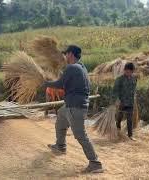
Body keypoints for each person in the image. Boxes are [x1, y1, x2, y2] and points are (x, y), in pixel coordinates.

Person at [44, 45, 103, 173]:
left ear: (70, 54)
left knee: (80, 134)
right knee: (60, 117)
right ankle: (60, 146)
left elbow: (59, 84)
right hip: (72, 105)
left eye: (66, 54)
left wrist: (45, 83)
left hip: (75, 106)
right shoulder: (82, 67)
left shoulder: (72, 67)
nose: (65, 56)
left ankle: (95, 163)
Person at [113, 62, 137, 141]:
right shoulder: (119, 79)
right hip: (122, 102)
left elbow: (134, 89)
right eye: (126, 71)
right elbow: (115, 91)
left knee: (130, 119)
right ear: (124, 70)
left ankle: (130, 135)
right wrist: (117, 100)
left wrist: (134, 98)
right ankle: (118, 132)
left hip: (130, 102)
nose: (128, 73)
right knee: (119, 117)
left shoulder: (134, 78)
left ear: (132, 71)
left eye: (130, 71)